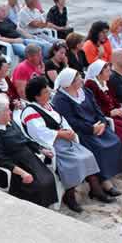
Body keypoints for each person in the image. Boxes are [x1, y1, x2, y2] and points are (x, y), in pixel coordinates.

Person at [21, 77, 101, 212]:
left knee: (88, 155)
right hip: (52, 145)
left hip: (64, 140)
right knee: (74, 162)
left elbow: (61, 120)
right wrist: (60, 134)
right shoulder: (30, 111)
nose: (49, 94)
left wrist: (68, 131)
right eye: (46, 92)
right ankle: (69, 196)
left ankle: (95, 188)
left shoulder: (48, 106)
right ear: (37, 96)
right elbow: (39, 133)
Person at [51, 68, 122, 200]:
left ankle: (106, 178)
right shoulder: (61, 99)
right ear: (70, 82)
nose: (81, 79)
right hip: (81, 132)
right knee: (99, 148)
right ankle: (104, 183)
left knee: (116, 141)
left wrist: (103, 123)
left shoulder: (85, 91)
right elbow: (70, 121)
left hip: (97, 127)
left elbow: (97, 109)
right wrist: (91, 129)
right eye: (78, 78)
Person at [0, 93, 58, 207]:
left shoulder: (9, 123)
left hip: (28, 159)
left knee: (49, 179)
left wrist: (41, 150)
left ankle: (43, 208)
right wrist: (23, 173)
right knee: (37, 185)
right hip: (12, 167)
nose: (10, 112)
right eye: (7, 110)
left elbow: (24, 139)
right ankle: (32, 211)